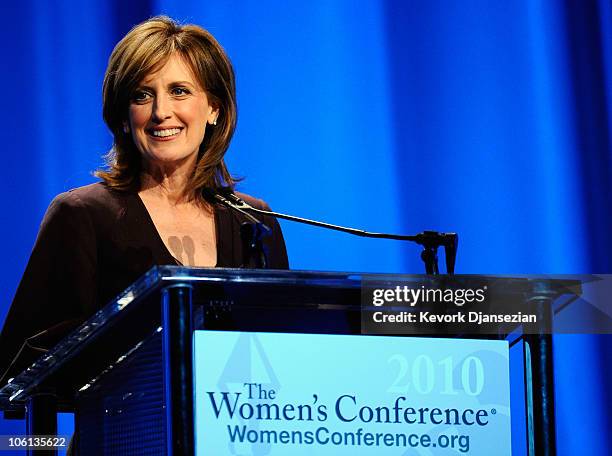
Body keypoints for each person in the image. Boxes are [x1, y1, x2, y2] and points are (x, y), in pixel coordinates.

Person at [0, 16, 288, 385]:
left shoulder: (253, 223)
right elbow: (22, 370)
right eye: (142, 95)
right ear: (123, 116)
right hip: (120, 437)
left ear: (214, 108)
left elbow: (281, 355)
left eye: (180, 91)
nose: (160, 112)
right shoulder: (81, 216)